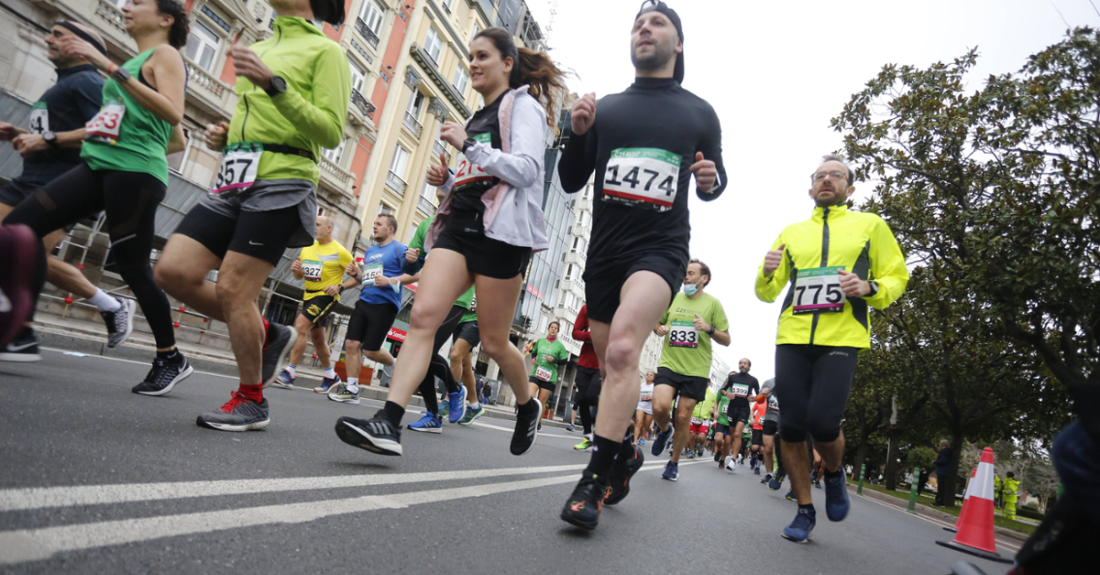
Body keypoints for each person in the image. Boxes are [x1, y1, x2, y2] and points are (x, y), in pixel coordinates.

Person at [332, 27, 566, 458]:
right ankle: (388, 421)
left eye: (483, 56)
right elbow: (482, 177)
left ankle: (527, 404)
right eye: (471, 57)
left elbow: (527, 171)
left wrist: (469, 146)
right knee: (422, 316)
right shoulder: (479, 116)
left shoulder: (523, 107)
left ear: (508, 63)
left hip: (502, 236)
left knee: (495, 342)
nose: (473, 64)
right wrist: (448, 183)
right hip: (459, 227)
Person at [557, 1, 727, 530]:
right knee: (614, 368)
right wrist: (579, 132)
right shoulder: (604, 108)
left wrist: (709, 181)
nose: (644, 29)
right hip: (605, 254)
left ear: (678, 45)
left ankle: (592, 482)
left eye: (656, 23)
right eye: (637, 24)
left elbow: (716, 180)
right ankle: (625, 452)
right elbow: (568, 180)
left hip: (660, 250)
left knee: (628, 348)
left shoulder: (698, 112)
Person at [154, 0, 351, 430]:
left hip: (284, 181)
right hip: (234, 176)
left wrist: (274, 83)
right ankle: (271, 332)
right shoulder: (262, 45)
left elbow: (331, 131)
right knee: (172, 270)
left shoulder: (327, 52)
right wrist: (228, 135)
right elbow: (262, 118)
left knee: (233, 289)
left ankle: (251, 400)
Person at [2, 0, 192, 394]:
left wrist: (106, 65)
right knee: (18, 227)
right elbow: (146, 132)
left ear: (165, 18)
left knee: (133, 267)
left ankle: (170, 356)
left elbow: (174, 117)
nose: (126, 6)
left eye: (138, 3)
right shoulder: (137, 63)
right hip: (97, 166)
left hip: (134, 173)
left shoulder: (164, 55)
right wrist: (48, 138)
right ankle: (20, 330)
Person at [756, 154, 909, 542]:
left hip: (841, 338)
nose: (827, 180)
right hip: (793, 336)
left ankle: (836, 472)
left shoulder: (870, 225)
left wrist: (870, 288)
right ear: (811, 188)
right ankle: (804, 510)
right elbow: (767, 292)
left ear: (850, 188)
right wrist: (767, 271)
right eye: (820, 176)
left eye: (836, 176)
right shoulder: (792, 231)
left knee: (823, 423)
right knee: (791, 425)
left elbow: (896, 275)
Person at [0, 21, 130, 362]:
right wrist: (20, 132)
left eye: (58, 35)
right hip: (31, 178)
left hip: (63, 186)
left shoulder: (88, 81)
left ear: (81, 44)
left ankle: (20, 331)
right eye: (50, 33)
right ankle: (111, 304)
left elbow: (108, 130)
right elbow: (60, 132)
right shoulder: (66, 83)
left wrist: (46, 139)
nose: (48, 39)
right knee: (25, 252)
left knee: (24, 253)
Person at [399, 208, 479, 432]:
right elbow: (411, 266)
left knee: (425, 352)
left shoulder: (468, 221)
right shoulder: (427, 224)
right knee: (421, 355)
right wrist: (411, 259)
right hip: (428, 294)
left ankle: (451, 394)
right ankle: (437, 410)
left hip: (456, 297)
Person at [650, 260, 729, 481]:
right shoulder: (674, 298)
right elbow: (657, 322)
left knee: (683, 416)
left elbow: (726, 339)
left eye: (691, 273)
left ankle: (673, 462)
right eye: (684, 272)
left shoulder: (713, 304)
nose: (685, 276)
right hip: (670, 363)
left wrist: (709, 328)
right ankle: (665, 430)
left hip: (696, 369)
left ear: (703, 279)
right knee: (659, 406)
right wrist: (660, 328)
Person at [327, 214, 411, 406]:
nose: (374, 227)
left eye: (379, 224)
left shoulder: (399, 249)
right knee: (351, 344)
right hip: (364, 300)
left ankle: (396, 366)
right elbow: (368, 279)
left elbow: (416, 275)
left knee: (370, 351)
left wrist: (390, 280)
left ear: (390, 229)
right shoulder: (372, 251)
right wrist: (356, 274)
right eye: (374, 224)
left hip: (385, 305)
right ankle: (352, 389)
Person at [271, 215, 353, 392]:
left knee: (300, 326)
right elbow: (300, 277)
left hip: (325, 297)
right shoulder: (307, 247)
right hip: (308, 295)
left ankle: (290, 373)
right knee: (318, 339)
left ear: (328, 228)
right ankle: (331, 376)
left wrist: (340, 287)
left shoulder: (340, 251)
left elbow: (358, 277)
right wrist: (297, 271)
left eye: (318, 224)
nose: (313, 227)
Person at [448, 287, 486, 426]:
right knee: (465, 366)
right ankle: (475, 406)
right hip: (459, 318)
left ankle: (448, 399)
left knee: (455, 355)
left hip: (476, 319)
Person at [527, 321, 570, 429]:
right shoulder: (540, 341)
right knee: (530, 396)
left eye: (556, 328)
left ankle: (538, 422)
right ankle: (528, 417)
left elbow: (564, 361)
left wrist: (554, 360)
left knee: (542, 400)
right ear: (548, 328)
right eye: (552, 327)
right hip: (537, 373)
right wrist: (533, 358)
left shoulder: (559, 346)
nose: (553, 329)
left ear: (558, 331)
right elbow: (534, 352)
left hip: (549, 377)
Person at [721, 358, 760, 472]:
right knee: (734, 435)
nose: (742, 365)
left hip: (744, 409)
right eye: (740, 363)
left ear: (749, 367)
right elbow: (722, 390)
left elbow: (760, 396)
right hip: (732, 409)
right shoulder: (733, 378)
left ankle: (733, 460)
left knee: (738, 433)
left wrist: (755, 398)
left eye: (745, 363)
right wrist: (727, 393)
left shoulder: (753, 380)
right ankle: (737, 455)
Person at [571, 304, 601, 451]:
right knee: (581, 400)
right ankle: (588, 436)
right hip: (584, 363)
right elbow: (575, 333)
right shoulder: (586, 308)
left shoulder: (616, 310)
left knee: (591, 397)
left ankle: (601, 432)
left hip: (603, 365)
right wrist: (592, 336)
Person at [760, 381, 781, 484]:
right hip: (770, 418)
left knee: (781, 448)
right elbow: (759, 400)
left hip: (785, 420)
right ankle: (769, 473)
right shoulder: (769, 382)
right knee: (768, 449)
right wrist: (763, 394)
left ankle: (780, 471)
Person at [688, 385, 716, 458]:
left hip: (704, 418)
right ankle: (691, 451)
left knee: (701, 437)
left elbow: (716, 404)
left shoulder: (712, 394)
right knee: (692, 436)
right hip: (693, 416)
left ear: (709, 383)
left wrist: (713, 410)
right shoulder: (695, 390)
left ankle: (701, 446)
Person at [633, 371, 655, 446]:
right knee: (639, 422)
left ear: (653, 378)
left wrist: (652, 397)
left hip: (650, 408)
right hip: (641, 406)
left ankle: (649, 431)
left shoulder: (654, 386)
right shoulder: (641, 385)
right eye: (647, 375)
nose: (648, 376)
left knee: (646, 426)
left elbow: (659, 397)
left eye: (651, 375)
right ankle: (635, 441)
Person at [749, 392, 767, 474]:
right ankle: (754, 455)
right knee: (755, 447)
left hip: (767, 428)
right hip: (757, 426)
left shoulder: (773, 402)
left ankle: (758, 467)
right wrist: (752, 418)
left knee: (762, 450)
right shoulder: (760, 400)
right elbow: (753, 409)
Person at [933, 439, 953, 506]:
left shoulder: (944, 452)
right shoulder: (949, 452)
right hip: (946, 471)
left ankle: (939, 501)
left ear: (942, 444)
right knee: (942, 487)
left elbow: (942, 461)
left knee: (941, 487)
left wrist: (935, 462)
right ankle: (941, 501)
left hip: (942, 471)